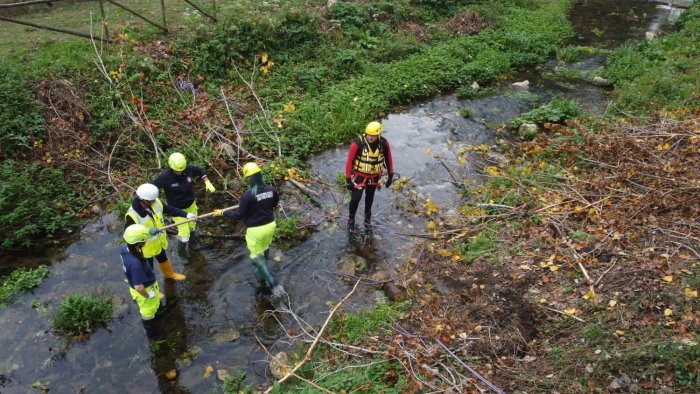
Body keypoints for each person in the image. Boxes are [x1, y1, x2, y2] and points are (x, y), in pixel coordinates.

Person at [213, 162, 280, 290]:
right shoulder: (271, 190)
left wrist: (222, 212)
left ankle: (269, 277)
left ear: (249, 178)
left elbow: (238, 215)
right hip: (270, 226)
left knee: (255, 256)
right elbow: (274, 204)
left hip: (255, 230)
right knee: (265, 246)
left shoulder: (247, 196)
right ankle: (262, 271)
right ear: (260, 175)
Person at [125, 183, 194, 281]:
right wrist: (147, 231)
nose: (154, 201)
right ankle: (150, 287)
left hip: (158, 242)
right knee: (147, 268)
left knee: (163, 258)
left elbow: (170, 210)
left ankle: (170, 275)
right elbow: (128, 234)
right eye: (152, 201)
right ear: (144, 200)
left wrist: (186, 214)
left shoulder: (156, 203)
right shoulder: (132, 215)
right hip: (145, 248)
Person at [151, 152, 216, 254]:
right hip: (177, 210)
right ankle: (181, 253)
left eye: (181, 170)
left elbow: (199, 170)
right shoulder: (165, 177)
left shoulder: (188, 169)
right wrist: (155, 202)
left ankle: (192, 244)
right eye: (177, 171)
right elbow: (151, 187)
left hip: (191, 205)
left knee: (192, 227)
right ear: (172, 168)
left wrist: (207, 181)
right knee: (184, 234)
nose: (180, 172)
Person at [345, 121, 395, 229]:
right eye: (368, 134)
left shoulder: (384, 143)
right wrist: (348, 180)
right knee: (355, 199)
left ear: (378, 134)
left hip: (374, 176)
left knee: (370, 197)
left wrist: (391, 175)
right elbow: (349, 162)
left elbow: (388, 158)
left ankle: (367, 218)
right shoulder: (357, 144)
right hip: (360, 175)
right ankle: (351, 219)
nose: (370, 137)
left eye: (373, 135)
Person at [121, 224, 163, 338]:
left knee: (154, 307)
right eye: (144, 240)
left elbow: (137, 236)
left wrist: (150, 231)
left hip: (136, 286)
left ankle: (157, 313)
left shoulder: (125, 248)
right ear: (139, 244)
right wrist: (148, 295)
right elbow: (139, 287)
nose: (145, 242)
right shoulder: (135, 264)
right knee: (148, 312)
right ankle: (151, 333)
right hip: (144, 290)